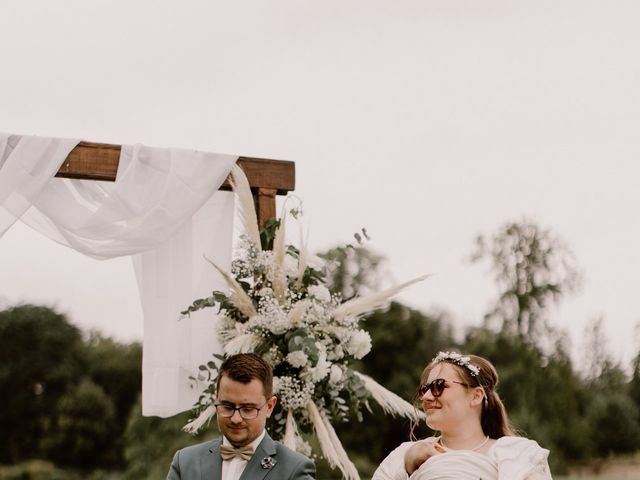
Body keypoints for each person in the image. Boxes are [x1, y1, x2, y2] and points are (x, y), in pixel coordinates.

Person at [372, 351, 552, 480]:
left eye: (438, 386)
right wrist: (406, 468)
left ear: (476, 396)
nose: (426, 397)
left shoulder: (517, 454)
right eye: (424, 389)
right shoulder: (404, 455)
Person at [167, 353, 316, 480]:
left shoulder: (294, 470)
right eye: (227, 406)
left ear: (269, 406)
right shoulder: (185, 462)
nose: (236, 419)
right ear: (216, 399)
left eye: (248, 409)